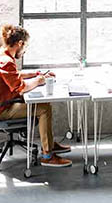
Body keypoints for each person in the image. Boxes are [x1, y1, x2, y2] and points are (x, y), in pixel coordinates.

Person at [0, 24, 72, 167]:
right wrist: (39, 81)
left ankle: (49, 145)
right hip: (4, 109)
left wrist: (37, 73)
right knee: (44, 109)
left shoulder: (4, 55)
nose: (25, 50)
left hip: (7, 103)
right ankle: (47, 155)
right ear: (19, 43)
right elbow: (20, 87)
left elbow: (16, 75)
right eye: (25, 46)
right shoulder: (6, 61)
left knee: (45, 106)